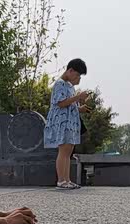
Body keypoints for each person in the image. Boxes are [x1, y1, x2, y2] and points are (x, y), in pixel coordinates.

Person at [44, 58, 91, 189]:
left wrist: (80, 108)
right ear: (70, 70)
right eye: (77, 75)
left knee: (68, 151)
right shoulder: (59, 84)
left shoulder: (69, 86)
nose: (78, 78)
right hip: (62, 122)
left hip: (70, 123)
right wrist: (78, 97)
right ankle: (61, 180)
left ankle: (67, 179)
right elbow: (60, 103)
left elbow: (69, 104)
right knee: (64, 151)